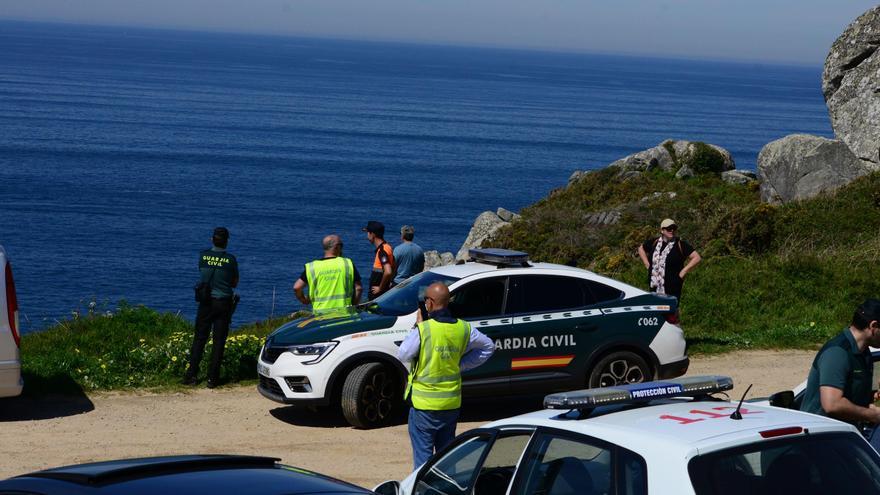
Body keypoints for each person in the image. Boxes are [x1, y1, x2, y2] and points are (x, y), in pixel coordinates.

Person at [397, 282, 495, 468]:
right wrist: (462, 365)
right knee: (447, 459)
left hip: (424, 406)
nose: (425, 303)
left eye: (426, 300)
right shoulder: (463, 328)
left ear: (431, 303)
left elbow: (403, 354)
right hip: (450, 404)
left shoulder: (424, 329)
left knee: (423, 461)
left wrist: (417, 327)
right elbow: (488, 346)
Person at [801, 299, 880, 448]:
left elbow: (849, 396)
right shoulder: (838, 352)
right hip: (819, 441)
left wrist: (871, 396)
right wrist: (873, 415)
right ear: (873, 326)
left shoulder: (864, 353)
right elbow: (832, 404)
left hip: (843, 439)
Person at [184, 227, 239, 388]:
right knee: (218, 341)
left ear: (212, 239)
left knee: (199, 339)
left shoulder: (203, 256)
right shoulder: (230, 259)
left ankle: (191, 375)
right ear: (227, 241)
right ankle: (212, 379)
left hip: (205, 301)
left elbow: (202, 272)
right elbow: (234, 282)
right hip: (223, 302)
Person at [637, 218, 701, 301]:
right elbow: (641, 248)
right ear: (662, 230)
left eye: (674, 228)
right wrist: (647, 264)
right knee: (656, 311)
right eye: (668, 228)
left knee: (671, 311)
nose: (672, 230)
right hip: (654, 286)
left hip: (673, 288)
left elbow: (697, 257)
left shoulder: (680, 244)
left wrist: (683, 271)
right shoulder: (654, 242)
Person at [293, 234, 362, 311]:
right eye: (341, 245)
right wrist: (353, 307)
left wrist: (304, 300)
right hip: (344, 314)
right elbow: (358, 288)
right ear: (336, 246)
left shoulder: (312, 267)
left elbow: (297, 287)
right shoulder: (347, 264)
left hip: (320, 315)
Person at [363, 220, 396, 299]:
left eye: (368, 233)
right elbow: (394, 266)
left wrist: (380, 288)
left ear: (372, 234)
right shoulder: (388, 247)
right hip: (384, 293)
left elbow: (388, 271)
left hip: (377, 295)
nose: (367, 236)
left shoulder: (382, 251)